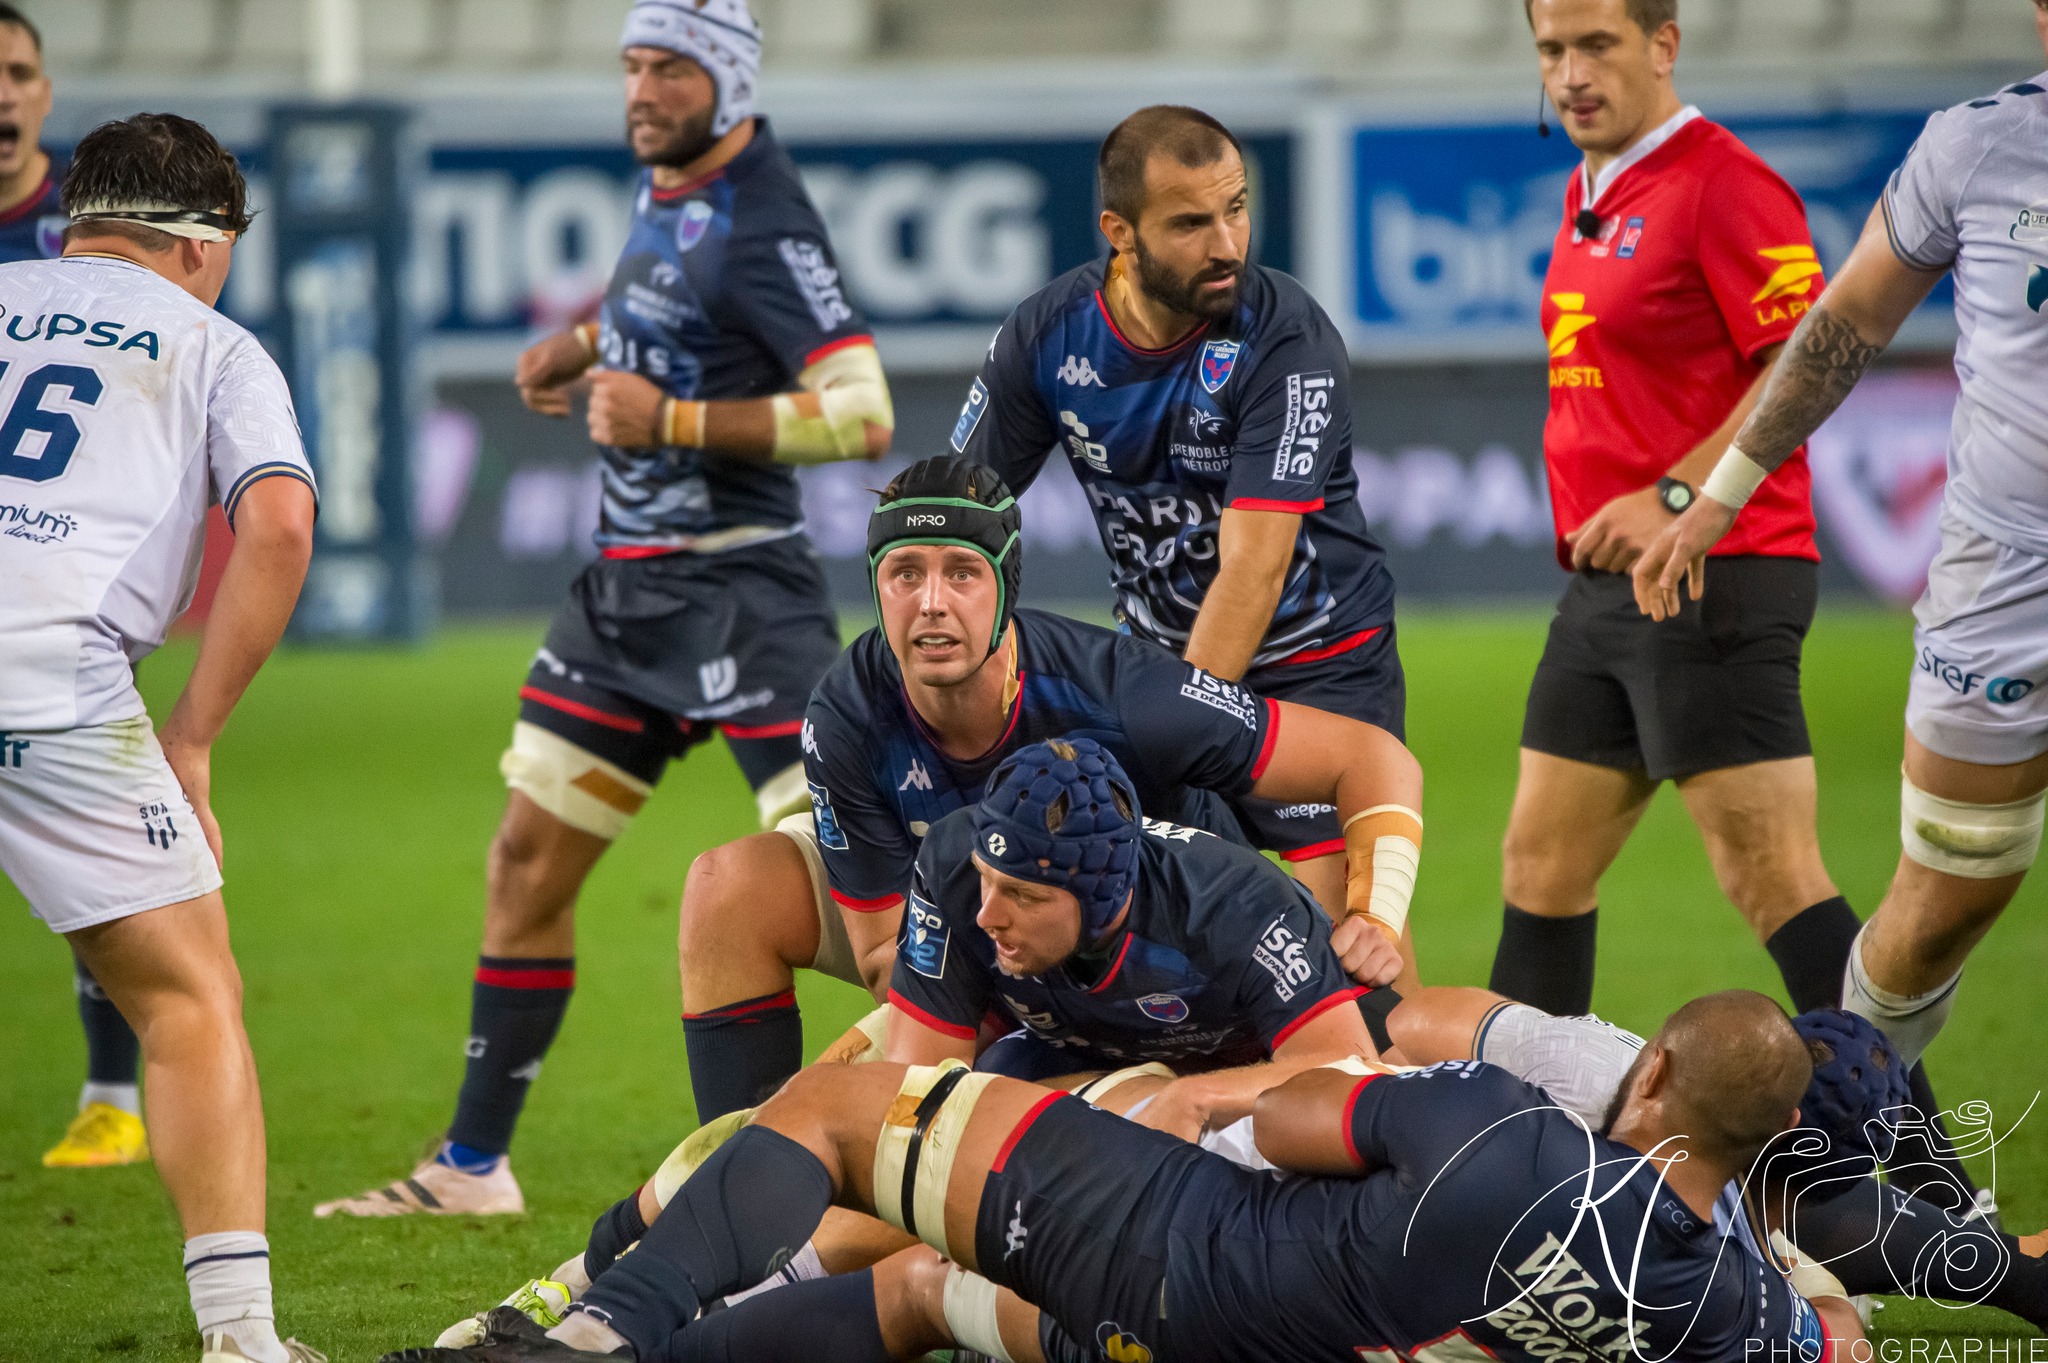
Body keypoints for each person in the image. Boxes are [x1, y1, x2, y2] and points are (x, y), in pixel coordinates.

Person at [316, 0, 892, 1218]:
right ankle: (472, 1165)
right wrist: (583, 344)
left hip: (745, 596)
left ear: (729, 81)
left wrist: (669, 419)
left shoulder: (765, 220)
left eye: (670, 68)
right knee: (524, 861)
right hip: (624, 601)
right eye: (631, 66)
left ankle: (963, 1084)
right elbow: (674, 305)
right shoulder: (673, 184)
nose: (641, 90)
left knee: (855, 896)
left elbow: (861, 414)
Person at [1487, 0, 1993, 1204]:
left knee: (1772, 875)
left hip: (1713, 571)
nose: (1569, 73)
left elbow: (1800, 362)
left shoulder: (1722, 185)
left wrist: (1677, 492)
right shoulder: (1595, 188)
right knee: (1538, 864)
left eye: (1596, 45)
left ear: (1662, 44)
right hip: (1604, 589)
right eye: (1551, 50)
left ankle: (1931, 1192)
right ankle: (1513, 1172)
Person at [379, 992, 1864, 1363]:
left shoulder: (1503, 1130)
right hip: (1242, 1344)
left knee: (836, 1111)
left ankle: (602, 1329)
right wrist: (1813, 1294)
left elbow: (1299, 1111)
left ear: (1646, 1076)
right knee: (920, 1289)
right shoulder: (1728, 1313)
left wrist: (1182, 1103)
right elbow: (1828, 1341)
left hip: (1178, 1247)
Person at [675, 456, 1422, 1120]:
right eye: (905, 574)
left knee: (1401, 1058)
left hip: (1169, 964)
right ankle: (738, 1162)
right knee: (727, 886)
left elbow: (1369, 756)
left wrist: (1377, 914)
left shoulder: (1124, 693)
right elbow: (881, 957)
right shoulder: (847, 713)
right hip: (986, 949)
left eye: (961, 573)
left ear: (1005, 586)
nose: (931, 602)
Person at [1633, 14, 2048, 1166]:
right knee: (1940, 906)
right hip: (2004, 581)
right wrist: (1719, 489)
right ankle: (1825, 1175)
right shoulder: (1976, 144)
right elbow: (1848, 318)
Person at [0, 114, 323, 1363]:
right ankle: (240, 1338)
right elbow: (278, 528)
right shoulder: (215, 344)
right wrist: (191, 736)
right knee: (188, 1001)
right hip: (53, 680)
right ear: (203, 243)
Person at [952, 104, 1402, 917]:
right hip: (1155, 666)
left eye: (1236, 209)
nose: (1227, 244)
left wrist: (1172, 729)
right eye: (1191, 223)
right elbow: (959, 511)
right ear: (1119, 233)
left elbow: (1254, 568)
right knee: (1148, 936)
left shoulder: (1286, 340)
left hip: (1318, 673)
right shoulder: (1047, 335)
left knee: (1340, 956)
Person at [0, 1, 147, 1174]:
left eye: (16, 72)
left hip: (61, 589)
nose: (1, 95)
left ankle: (111, 1093)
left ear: (45, 92)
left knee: (97, 853)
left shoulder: (93, 231)